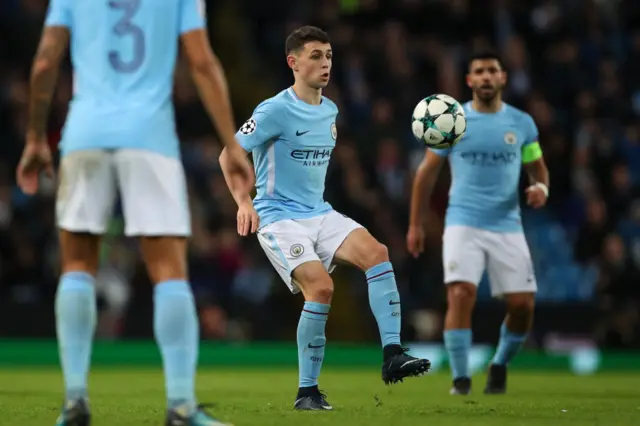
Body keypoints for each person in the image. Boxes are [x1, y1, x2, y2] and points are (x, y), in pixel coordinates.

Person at [16, 0, 253, 425]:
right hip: (150, 134)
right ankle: (181, 406)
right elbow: (201, 61)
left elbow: (46, 60)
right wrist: (232, 145)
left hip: (85, 131)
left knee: (76, 265)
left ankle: (74, 402)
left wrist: (35, 137)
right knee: (169, 270)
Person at [219, 25, 430, 411]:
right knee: (322, 289)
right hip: (278, 217)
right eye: (315, 56)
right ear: (293, 62)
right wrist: (243, 201)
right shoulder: (273, 110)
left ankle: (393, 354)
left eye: (329, 55)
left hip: (319, 212)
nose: (325, 63)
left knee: (377, 252)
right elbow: (228, 155)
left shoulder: (330, 109)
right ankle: (307, 391)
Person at [406, 50, 550, 395]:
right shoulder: (452, 121)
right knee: (460, 293)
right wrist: (415, 224)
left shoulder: (521, 123)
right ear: (469, 81)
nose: (486, 77)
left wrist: (541, 186)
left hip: (507, 224)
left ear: (503, 78)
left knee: (522, 306)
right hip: (463, 222)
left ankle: (499, 364)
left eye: (492, 71)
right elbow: (426, 174)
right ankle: (460, 379)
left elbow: (536, 165)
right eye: (479, 72)